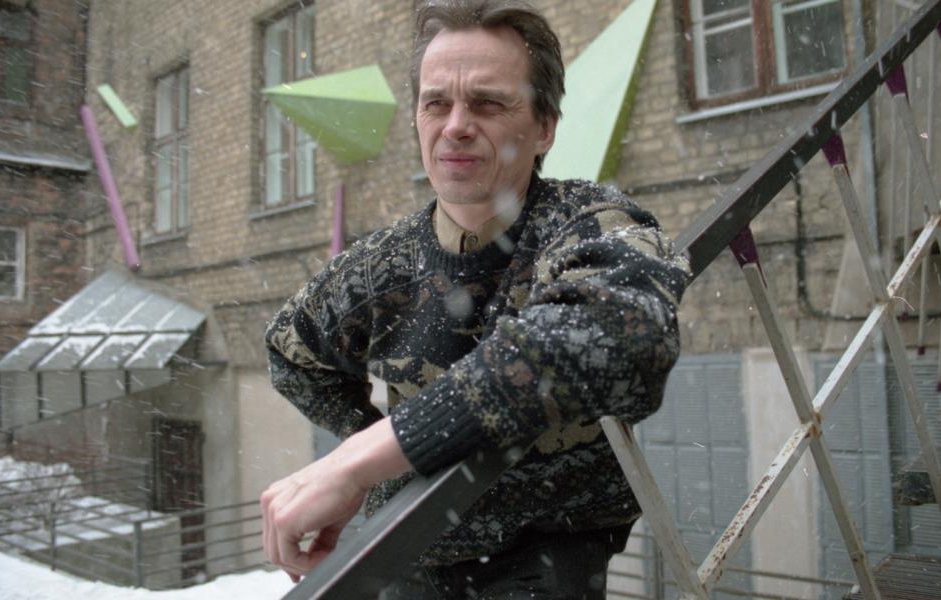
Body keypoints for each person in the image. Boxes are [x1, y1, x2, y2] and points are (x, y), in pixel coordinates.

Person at [261, 0, 691, 597]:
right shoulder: (379, 264)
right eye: (436, 103)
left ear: (544, 127)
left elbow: (623, 339)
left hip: (548, 549)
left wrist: (365, 460)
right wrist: (365, 440)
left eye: (488, 103)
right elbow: (290, 353)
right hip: (409, 545)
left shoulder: (590, 222)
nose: (456, 125)